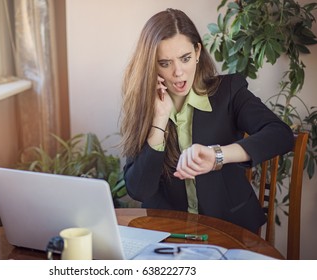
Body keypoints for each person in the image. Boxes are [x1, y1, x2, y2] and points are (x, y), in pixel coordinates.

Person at [119, 8, 294, 233]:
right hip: (168, 233)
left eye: (185, 58)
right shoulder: (144, 104)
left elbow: (280, 134)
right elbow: (139, 190)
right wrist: (159, 119)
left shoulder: (229, 90)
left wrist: (217, 156)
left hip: (230, 229)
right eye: (165, 63)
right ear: (151, 64)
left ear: (198, 51)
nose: (178, 72)